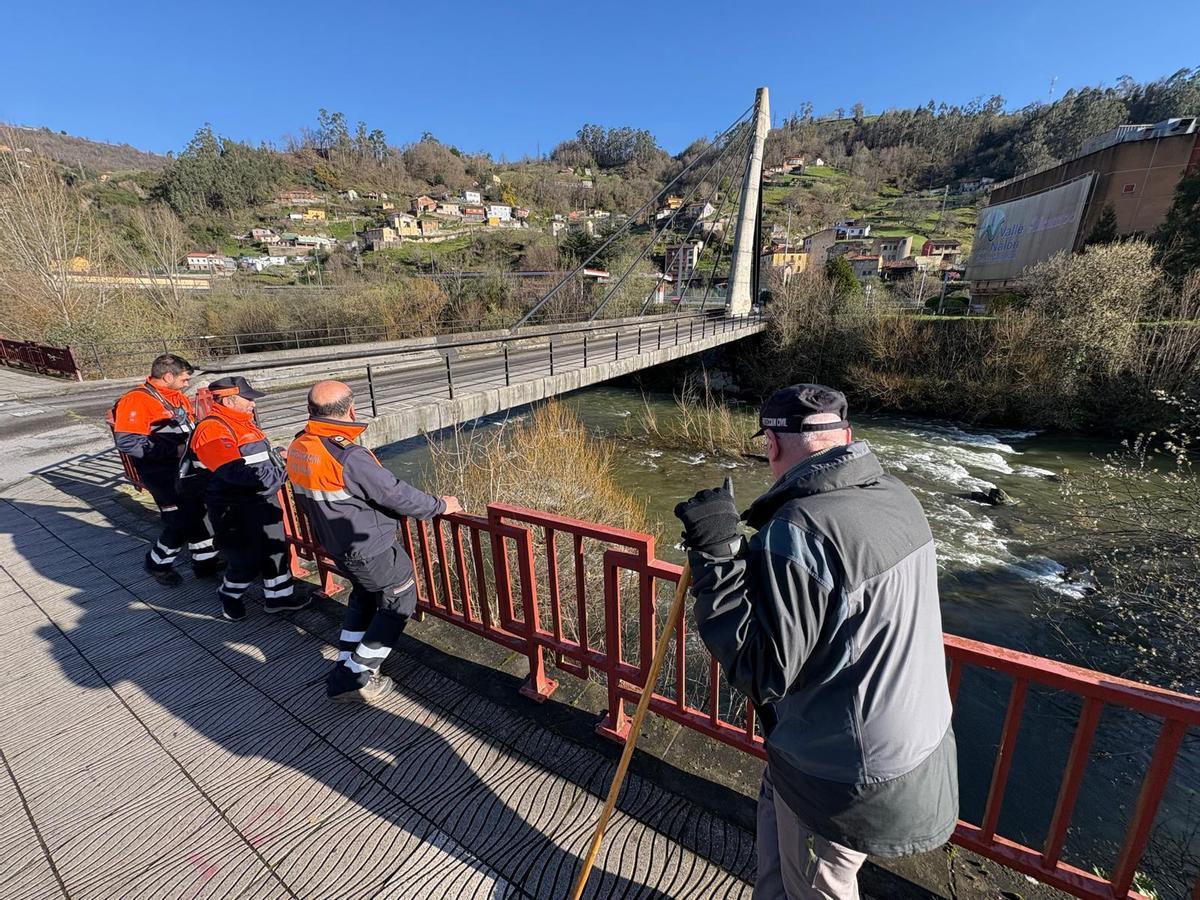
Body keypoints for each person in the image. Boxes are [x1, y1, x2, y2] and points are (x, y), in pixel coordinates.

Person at [674, 384, 958, 899]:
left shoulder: (801, 528)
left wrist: (716, 558)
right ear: (846, 436)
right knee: (783, 860)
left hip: (843, 771)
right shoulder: (896, 495)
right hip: (914, 743)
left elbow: (761, 670)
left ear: (773, 446)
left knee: (818, 887)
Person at [286, 380, 462, 703]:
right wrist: (439, 506)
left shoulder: (299, 447)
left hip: (337, 546)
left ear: (310, 412)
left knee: (366, 598)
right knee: (400, 600)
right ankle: (351, 677)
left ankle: (346, 659)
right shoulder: (347, 456)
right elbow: (394, 492)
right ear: (351, 411)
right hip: (370, 548)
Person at [189, 375, 309, 621]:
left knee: (275, 550)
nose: (253, 404)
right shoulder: (213, 429)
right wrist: (284, 469)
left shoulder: (243, 422)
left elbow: (254, 459)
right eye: (248, 399)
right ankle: (229, 595)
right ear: (230, 400)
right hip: (234, 508)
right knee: (245, 559)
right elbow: (236, 474)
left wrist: (276, 455)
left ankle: (279, 597)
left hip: (261, 502)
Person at [111, 353, 221, 586]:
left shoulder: (175, 396)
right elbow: (128, 441)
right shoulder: (138, 400)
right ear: (168, 376)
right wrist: (174, 451)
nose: (187, 384)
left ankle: (205, 562)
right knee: (178, 520)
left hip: (184, 469)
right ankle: (157, 563)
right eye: (184, 380)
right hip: (161, 473)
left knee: (197, 512)